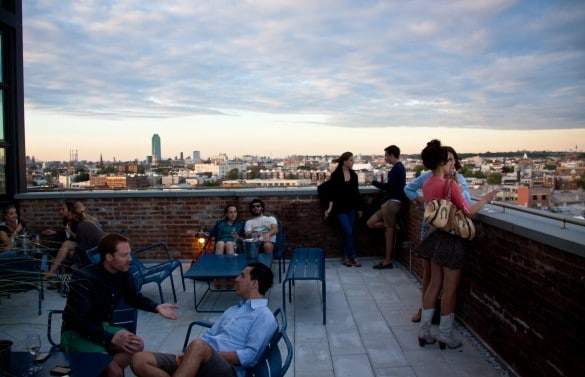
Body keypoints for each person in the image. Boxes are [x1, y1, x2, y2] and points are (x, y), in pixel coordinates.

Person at [415, 140, 499, 350]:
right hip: (452, 240)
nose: (452, 164)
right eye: (449, 162)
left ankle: (424, 331)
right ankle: (445, 334)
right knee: (449, 289)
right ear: (442, 163)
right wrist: (487, 198)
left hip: (435, 238)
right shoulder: (449, 184)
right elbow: (468, 211)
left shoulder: (426, 184)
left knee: (433, 285)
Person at [130, 262, 277, 377]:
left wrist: (200, 353)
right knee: (139, 360)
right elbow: (210, 335)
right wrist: (191, 356)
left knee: (198, 345)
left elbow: (249, 357)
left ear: (253, 283)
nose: (236, 279)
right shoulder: (234, 309)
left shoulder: (264, 316)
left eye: (242, 276)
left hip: (228, 370)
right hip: (200, 359)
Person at [61, 233, 179, 377]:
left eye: (129, 254)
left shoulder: (122, 273)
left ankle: (102, 368)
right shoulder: (84, 278)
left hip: (101, 325)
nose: (129, 259)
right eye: (124, 255)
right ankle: (106, 368)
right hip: (76, 332)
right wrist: (110, 338)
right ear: (109, 257)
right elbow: (79, 320)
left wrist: (156, 307)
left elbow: (133, 298)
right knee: (115, 372)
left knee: (136, 345)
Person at [405, 145, 471, 322]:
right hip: (441, 230)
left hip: (434, 229)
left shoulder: (439, 180)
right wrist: (421, 202)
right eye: (446, 160)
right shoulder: (432, 178)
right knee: (433, 275)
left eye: (451, 159)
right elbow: (467, 207)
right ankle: (432, 314)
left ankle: (428, 317)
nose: (449, 163)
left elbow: (465, 198)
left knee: (435, 277)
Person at [367, 145, 407, 269]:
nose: (385, 158)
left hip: (392, 203)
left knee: (388, 235)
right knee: (370, 222)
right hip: (390, 203)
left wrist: (373, 182)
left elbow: (389, 187)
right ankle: (394, 225)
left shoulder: (397, 168)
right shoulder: (399, 168)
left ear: (391, 155)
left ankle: (387, 261)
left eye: (386, 155)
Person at [45, 202, 105, 279]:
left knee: (66, 247)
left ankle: (53, 273)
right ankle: (60, 278)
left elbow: (81, 243)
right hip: (88, 247)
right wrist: (56, 232)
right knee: (65, 247)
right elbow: (69, 235)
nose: (60, 211)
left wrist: (70, 233)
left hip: (92, 251)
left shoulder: (80, 224)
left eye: (63, 209)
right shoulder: (68, 220)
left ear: (71, 212)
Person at [324, 152, 363, 267]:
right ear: (345, 161)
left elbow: (356, 193)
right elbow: (332, 193)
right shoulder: (336, 175)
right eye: (351, 160)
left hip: (351, 208)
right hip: (339, 209)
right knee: (349, 231)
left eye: (353, 160)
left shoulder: (354, 175)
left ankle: (345, 257)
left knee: (348, 233)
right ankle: (354, 256)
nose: (353, 162)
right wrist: (330, 208)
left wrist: (359, 208)